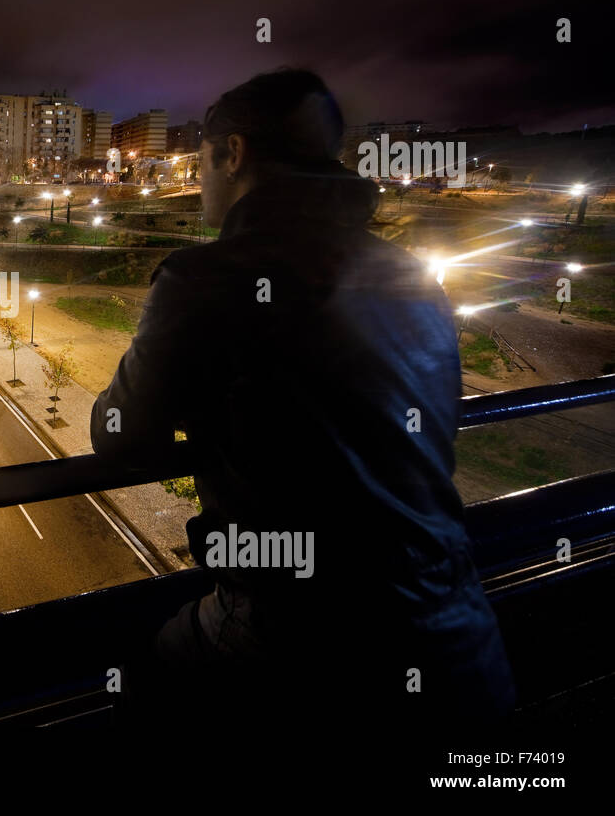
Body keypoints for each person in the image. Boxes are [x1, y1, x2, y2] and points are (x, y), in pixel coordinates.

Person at [91, 69, 515, 732]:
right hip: (458, 630)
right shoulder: (413, 276)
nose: (199, 181)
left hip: (295, 637)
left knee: (135, 681)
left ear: (232, 155)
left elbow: (119, 440)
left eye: (202, 162)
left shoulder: (203, 277)